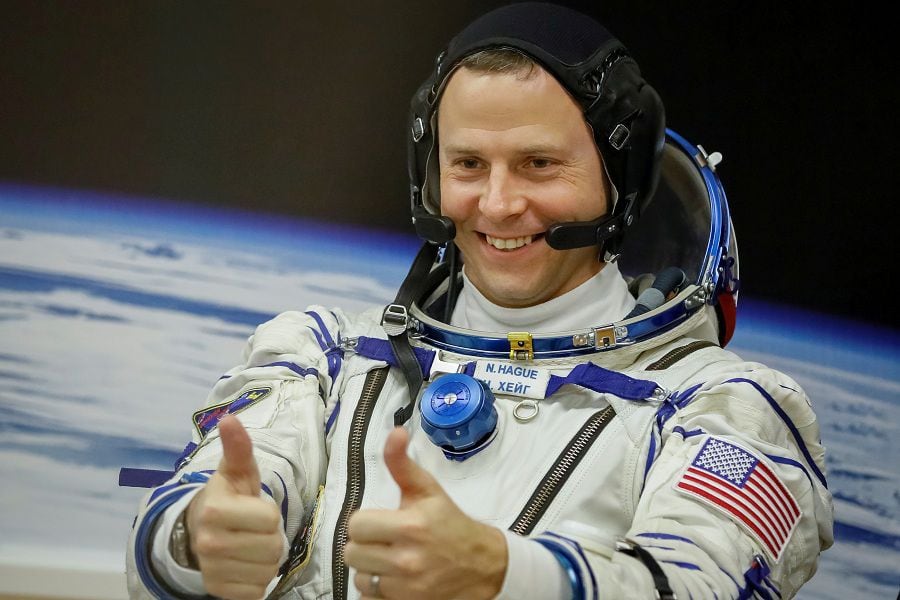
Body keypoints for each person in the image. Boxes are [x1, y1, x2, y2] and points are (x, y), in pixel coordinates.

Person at [123, 3, 833, 599]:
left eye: (539, 164)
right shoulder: (324, 357)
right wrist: (202, 539)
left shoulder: (727, 407)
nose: (497, 204)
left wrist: (503, 573)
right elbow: (174, 535)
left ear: (617, 181)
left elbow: (698, 582)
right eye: (468, 165)